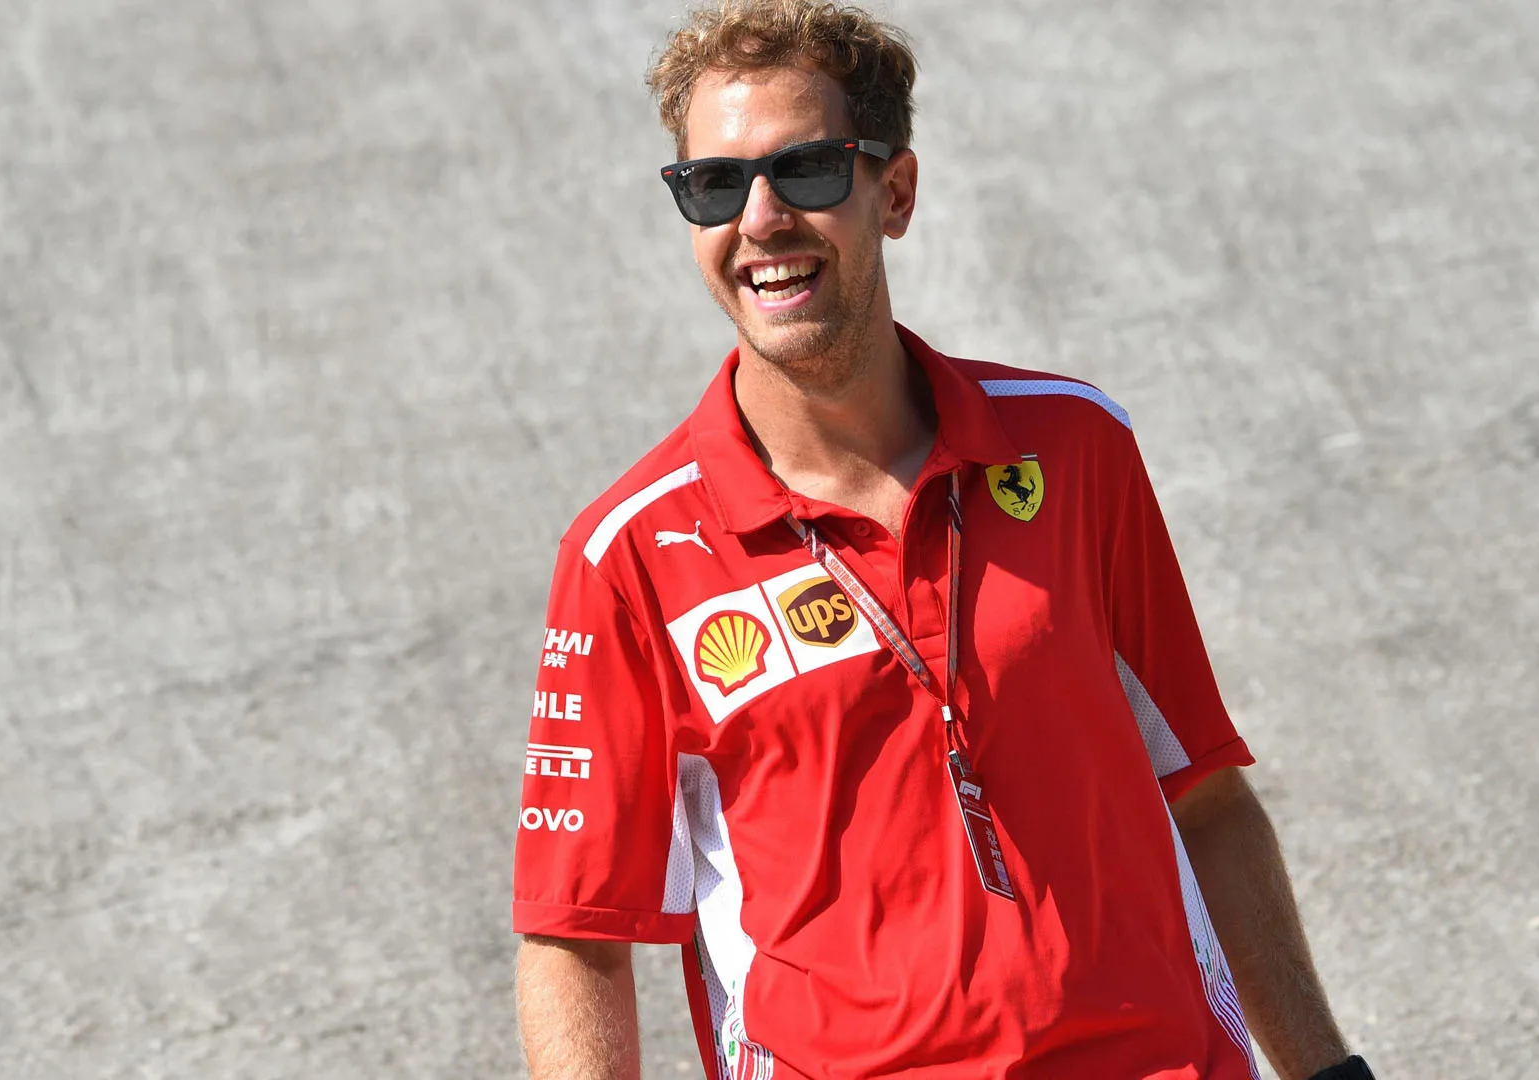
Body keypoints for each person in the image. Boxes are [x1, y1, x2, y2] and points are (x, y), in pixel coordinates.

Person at [512, 2, 1372, 1077]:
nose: (763, 220)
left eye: (810, 172)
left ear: (897, 192)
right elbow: (578, 930)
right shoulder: (629, 556)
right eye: (717, 186)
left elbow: (1204, 790)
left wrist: (1328, 1068)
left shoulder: (1074, 447)